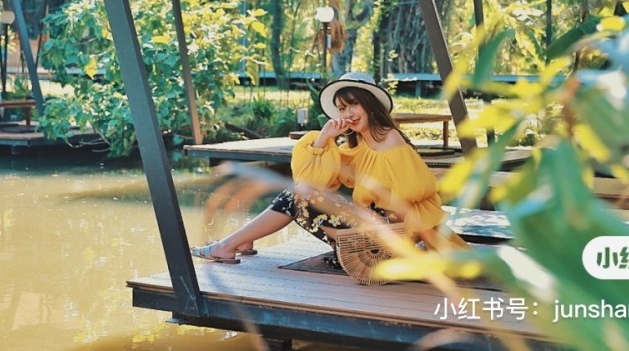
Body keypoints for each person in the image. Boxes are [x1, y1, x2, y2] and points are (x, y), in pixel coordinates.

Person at [190, 71, 458, 265]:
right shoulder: (361, 146)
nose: (348, 113)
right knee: (298, 194)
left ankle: (230, 244)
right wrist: (324, 138)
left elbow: (415, 192)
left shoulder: (389, 138)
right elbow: (314, 181)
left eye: (354, 104)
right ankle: (238, 241)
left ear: (370, 104)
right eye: (342, 108)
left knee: (297, 196)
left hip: (389, 237)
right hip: (372, 228)